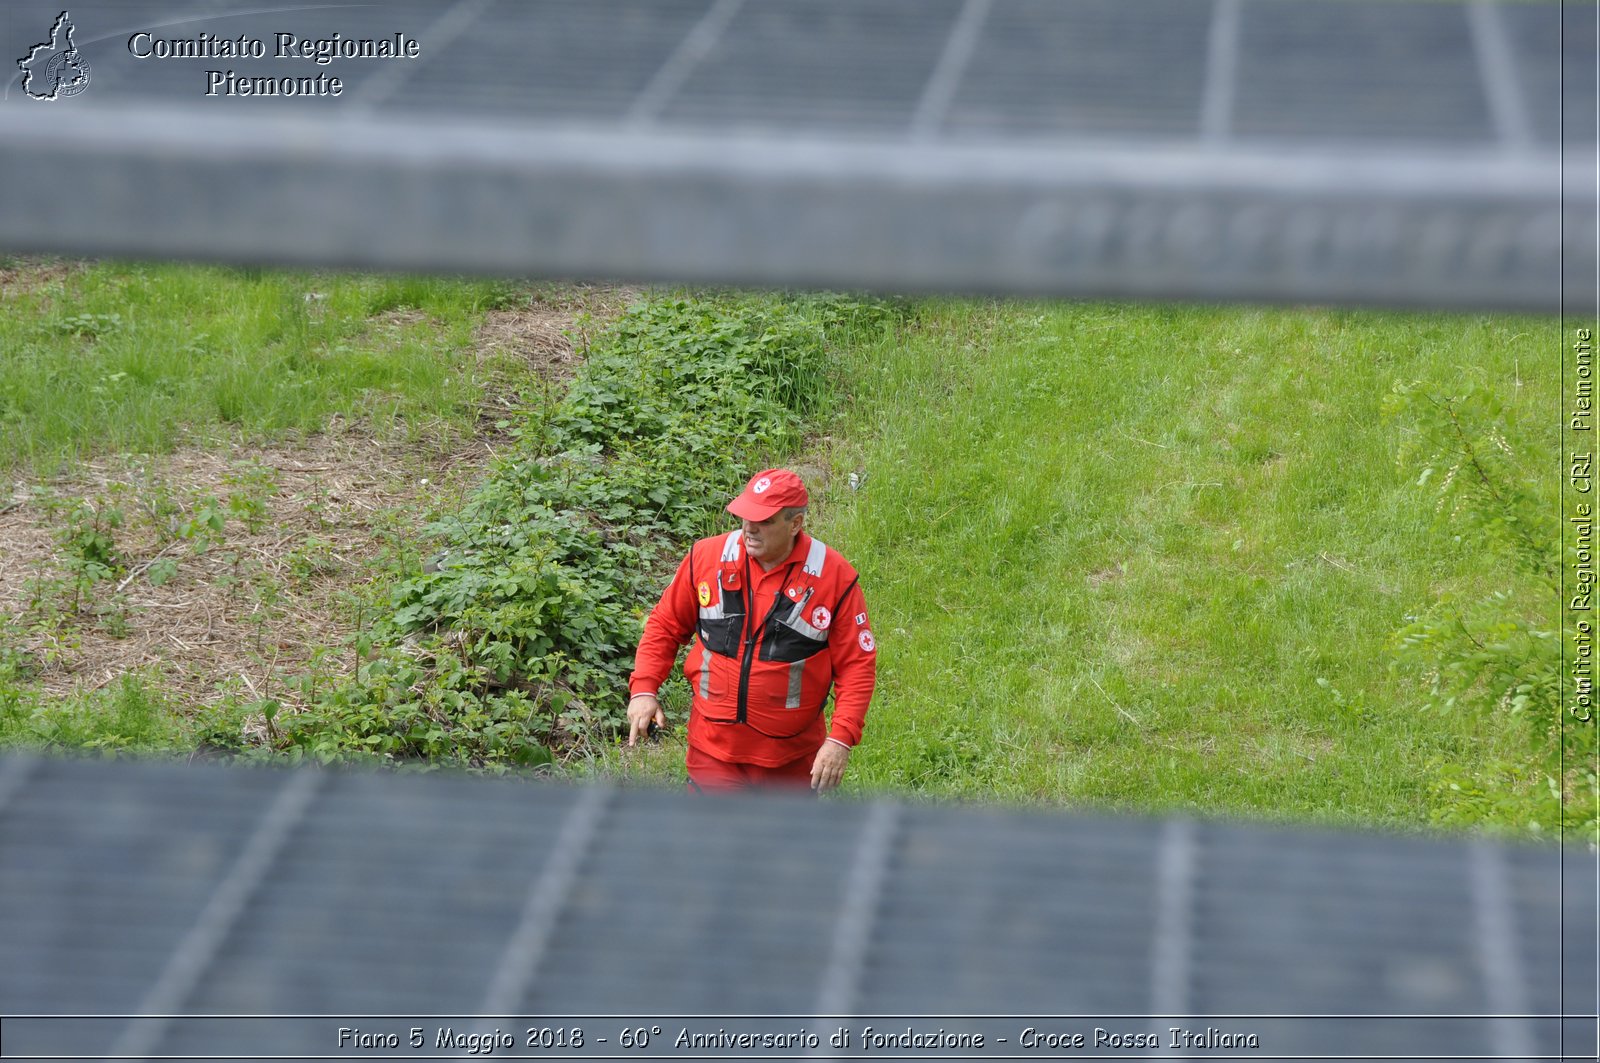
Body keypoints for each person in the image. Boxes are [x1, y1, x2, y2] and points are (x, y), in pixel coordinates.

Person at [626, 468, 876, 793]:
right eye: (745, 515)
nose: (749, 528)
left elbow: (857, 665)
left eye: (765, 521)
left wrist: (840, 738)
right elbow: (664, 625)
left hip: (793, 761)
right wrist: (644, 689)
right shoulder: (706, 558)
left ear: (795, 524)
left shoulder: (835, 577)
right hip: (712, 752)